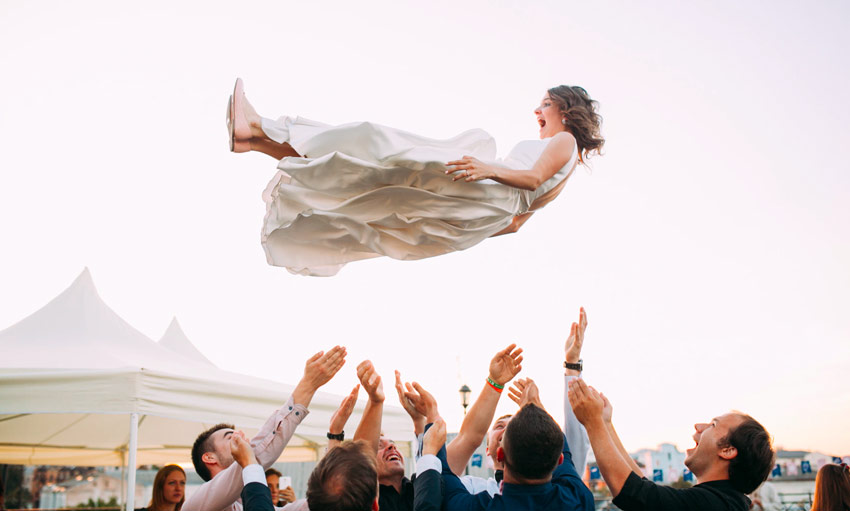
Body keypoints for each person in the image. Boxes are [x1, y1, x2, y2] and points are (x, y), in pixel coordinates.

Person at [226, 78, 604, 276]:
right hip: (483, 209)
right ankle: (253, 138)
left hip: (484, 188)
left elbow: (533, 177)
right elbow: (516, 224)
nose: (537, 109)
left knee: (375, 146)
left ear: (565, 111)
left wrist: (488, 170)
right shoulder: (568, 170)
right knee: (367, 177)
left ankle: (258, 131)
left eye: (545, 104)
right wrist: (451, 226)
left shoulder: (564, 141)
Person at [568, 379, 776, 511]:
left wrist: (593, 422)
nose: (699, 426)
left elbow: (635, 494)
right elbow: (643, 488)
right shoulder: (725, 500)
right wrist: (605, 424)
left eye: (713, 424)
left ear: (728, 450)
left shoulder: (714, 505)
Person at [182, 346, 347, 511]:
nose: (241, 436)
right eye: (229, 436)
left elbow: (319, 505)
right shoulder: (197, 504)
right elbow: (257, 455)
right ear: (209, 457)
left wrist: (335, 435)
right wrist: (308, 385)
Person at [448, 308, 590, 496]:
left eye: (515, 424)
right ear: (489, 451)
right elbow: (449, 465)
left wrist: (572, 366)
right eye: (499, 425)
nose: (508, 428)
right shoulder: (473, 489)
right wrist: (495, 384)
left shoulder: (557, 487)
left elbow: (575, 440)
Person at [437, 378, 595, 510]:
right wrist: (535, 405)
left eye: (512, 425)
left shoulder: (472, 502)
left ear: (501, 454)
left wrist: (494, 383)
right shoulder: (576, 498)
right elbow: (562, 448)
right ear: (558, 460)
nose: (506, 429)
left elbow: (442, 470)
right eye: (500, 426)